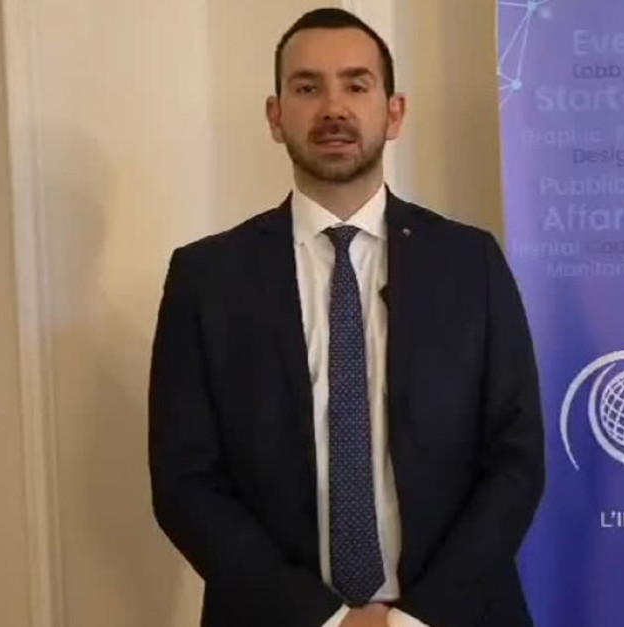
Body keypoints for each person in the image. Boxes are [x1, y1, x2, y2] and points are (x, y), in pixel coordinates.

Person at [148, 8, 545, 627]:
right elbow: (186, 482)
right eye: (308, 88)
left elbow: (516, 460)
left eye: (356, 85)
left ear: (394, 112)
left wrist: (415, 619)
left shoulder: (471, 263)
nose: (333, 108)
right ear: (275, 116)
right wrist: (329, 621)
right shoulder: (207, 278)